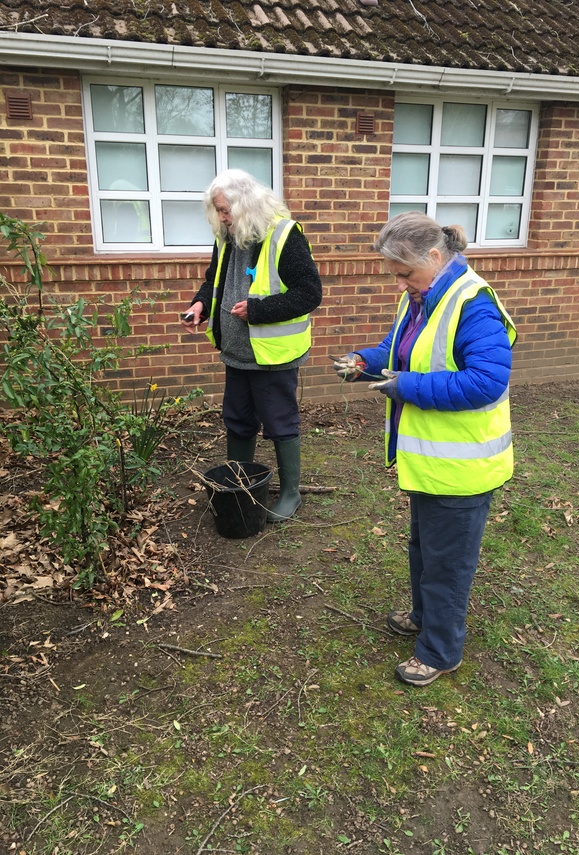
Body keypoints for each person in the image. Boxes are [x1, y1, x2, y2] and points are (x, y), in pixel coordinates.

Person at [333, 212, 517, 687]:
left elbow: (487, 381)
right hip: (434, 463)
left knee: (448, 562)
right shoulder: (423, 295)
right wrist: (363, 361)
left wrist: (405, 386)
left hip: (463, 468)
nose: (400, 284)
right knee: (425, 551)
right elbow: (399, 349)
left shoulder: (471, 303)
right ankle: (423, 616)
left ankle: (440, 650)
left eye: (404, 273)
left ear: (434, 258)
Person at [182, 169, 322, 522]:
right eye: (218, 211)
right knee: (238, 420)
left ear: (245, 206)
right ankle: (239, 484)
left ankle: (291, 493)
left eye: (225, 211)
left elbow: (309, 294)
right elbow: (214, 279)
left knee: (279, 422)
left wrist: (258, 310)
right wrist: (200, 303)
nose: (221, 218)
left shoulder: (283, 235)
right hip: (236, 353)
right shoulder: (227, 235)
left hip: (273, 356)